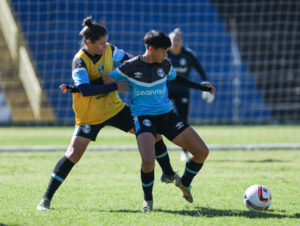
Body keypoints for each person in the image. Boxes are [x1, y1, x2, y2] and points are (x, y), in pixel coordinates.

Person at [36, 17, 176, 211]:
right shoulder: (79, 61)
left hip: (114, 108)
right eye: (101, 43)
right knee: (73, 154)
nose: (105, 46)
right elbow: (84, 89)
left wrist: (147, 64)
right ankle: (46, 199)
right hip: (90, 115)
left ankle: (168, 173)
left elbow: (129, 58)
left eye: (106, 42)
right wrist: (112, 85)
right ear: (89, 43)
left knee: (153, 134)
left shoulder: (109, 49)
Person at [107, 30, 215, 212]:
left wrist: (200, 87)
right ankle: (147, 200)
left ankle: (184, 183)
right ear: (150, 49)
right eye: (163, 51)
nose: (166, 54)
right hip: (143, 117)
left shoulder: (165, 64)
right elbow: (106, 78)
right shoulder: (130, 66)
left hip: (167, 115)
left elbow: (176, 78)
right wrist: (106, 86)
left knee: (202, 152)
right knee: (148, 161)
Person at [168, 28, 214, 162]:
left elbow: (200, 70)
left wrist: (205, 83)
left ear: (182, 41)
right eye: (173, 39)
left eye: (178, 39)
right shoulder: (164, 54)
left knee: (183, 122)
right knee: (159, 120)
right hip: (164, 92)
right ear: (169, 41)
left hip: (182, 92)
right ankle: (157, 150)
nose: (176, 42)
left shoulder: (188, 54)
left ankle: (184, 152)